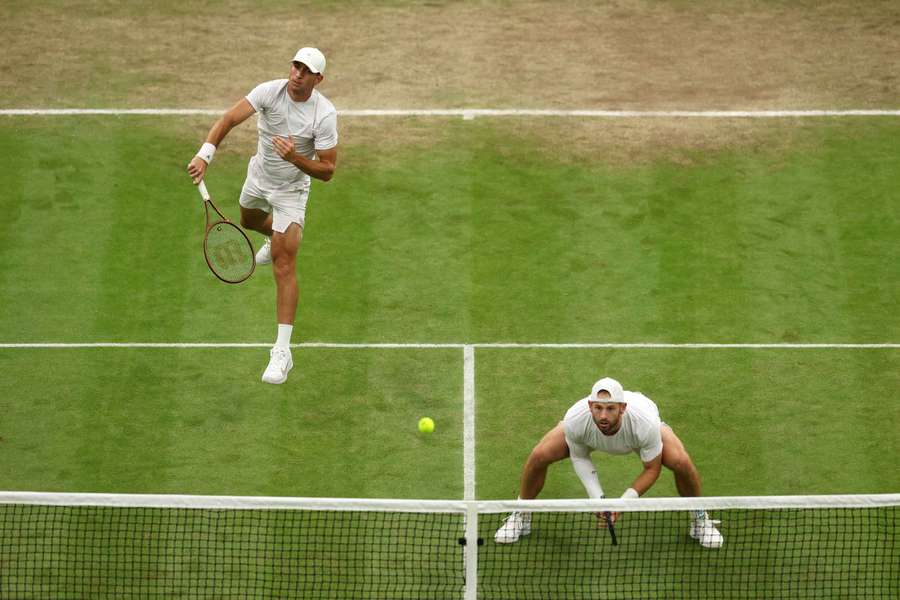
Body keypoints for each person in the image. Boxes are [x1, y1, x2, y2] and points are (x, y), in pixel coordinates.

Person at [187, 47, 338, 385]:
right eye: (295, 66)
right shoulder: (268, 92)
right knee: (248, 221)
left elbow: (327, 171)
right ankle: (275, 237)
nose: (297, 73)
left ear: (318, 79)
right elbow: (228, 119)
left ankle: (282, 352)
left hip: (291, 192)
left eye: (306, 70)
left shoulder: (324, 115)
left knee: (285, 264)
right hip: (258, 178)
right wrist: (204, 155)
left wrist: (295, 158)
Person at [494, 377, 724, 548]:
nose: (603, 416)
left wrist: (622, 503)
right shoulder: (577, 419)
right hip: (588, 434)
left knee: (681, 462)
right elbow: (580, 456)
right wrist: (598, 499)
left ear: (622, 408)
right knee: (539, 455)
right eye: (598, 408)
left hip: (638, 429)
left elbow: (652, 469)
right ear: (590, 406)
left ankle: (700, 519)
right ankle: (521, 514)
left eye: (610, 409)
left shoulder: (644, 423)